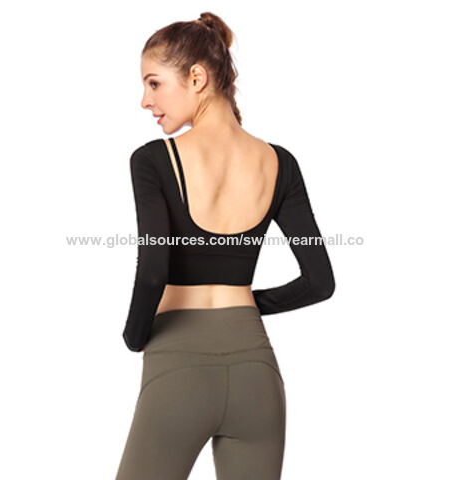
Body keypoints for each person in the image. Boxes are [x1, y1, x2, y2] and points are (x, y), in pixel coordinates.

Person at [116, 12, 335, 480]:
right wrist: (246, 305)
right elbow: (320, 282)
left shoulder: (154, 160)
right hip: (258, 374)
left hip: (178, 367)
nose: (144, 100)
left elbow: (153, 269)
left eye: (154, 83)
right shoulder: (280, 163)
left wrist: (134, 336)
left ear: (196, 78)